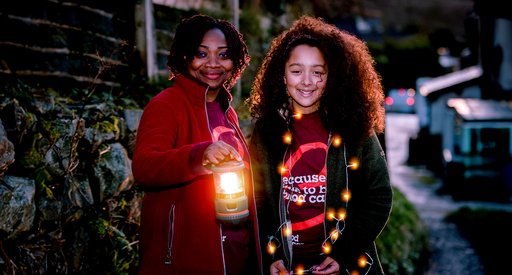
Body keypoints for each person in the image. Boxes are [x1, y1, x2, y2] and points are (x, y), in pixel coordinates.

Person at [247, 16, 392, 275]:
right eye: (296, 70)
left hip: (346, 267)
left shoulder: (354, 127)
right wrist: (273, 254)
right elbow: (257, 200)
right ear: (282, 74)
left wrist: (344, 254)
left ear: (331, 77)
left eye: (317, 72)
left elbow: (378, 197)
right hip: (287, 268)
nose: (306, 81)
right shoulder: (267, 130)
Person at [132, 14, 262, 274]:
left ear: (235, 61)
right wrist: (199, 155)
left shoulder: (227, 110)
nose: (213, 64)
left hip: (236, 255)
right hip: (186, 259)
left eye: (223, 55)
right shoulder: (167, 105)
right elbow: (144, 168)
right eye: (201, 54)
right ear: (184, 56)